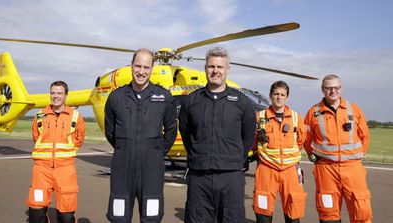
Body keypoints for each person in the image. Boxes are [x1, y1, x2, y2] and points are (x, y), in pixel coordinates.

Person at [179, 47, 256, 223]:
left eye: (220, 67)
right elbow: (186, 132)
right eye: (211, 66)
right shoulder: (191, 100)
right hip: (199, 177)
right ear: (205, 68)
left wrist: (233, 158)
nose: (216, 71)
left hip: (231, 177)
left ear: (227, 70)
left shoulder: (241, 102)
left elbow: (248, 136)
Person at [104, 48, 177, 223]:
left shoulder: (164, 97)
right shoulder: (116, 97)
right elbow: (110, 131)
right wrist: (124, 149)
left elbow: (171, 130)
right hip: (122, 166)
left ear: (152, 69)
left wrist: (157, 153)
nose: (141, 72)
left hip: (152, 167)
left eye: (146, 67)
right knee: (119, 217)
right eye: (138, 66)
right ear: (131, 66)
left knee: (151, 217)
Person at [304, 74, 372, 223]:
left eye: (336, 87)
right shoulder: (313, 112)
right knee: (328, 213)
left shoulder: (354, 109)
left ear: (341, 89)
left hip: (353, 168)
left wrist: (357, 157)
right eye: (329, 88)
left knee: (361, 211)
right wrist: (315, 158)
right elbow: (306, 139)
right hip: (326, 169)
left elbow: (365, 136)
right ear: (322, 89)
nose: (333, 91)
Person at [26, 81, 85, 223]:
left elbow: (79, 139)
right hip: (41, 170)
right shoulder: (39, 116)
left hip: (65, 170)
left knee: (66, 216)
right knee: (35, 213)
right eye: (52, 93)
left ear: (65, 95)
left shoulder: (76, 117)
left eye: (59, 93)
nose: (55, 96)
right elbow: (37, 138)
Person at [252, 81, 307, 223]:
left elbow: (300, 141)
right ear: (270, 95)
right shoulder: (260, 117)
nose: (279, 97)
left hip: (290, 171)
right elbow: (253, 141)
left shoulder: (296, 118)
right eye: (276, 94)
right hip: (266, 169)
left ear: (287, 97)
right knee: (263, 209)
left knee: (293, 210)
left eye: (282, 94)